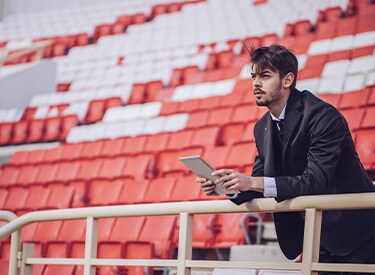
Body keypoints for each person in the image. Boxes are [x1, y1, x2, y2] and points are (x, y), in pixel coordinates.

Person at [196, 44, 375, 274]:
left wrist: (252, 182)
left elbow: (314, 182)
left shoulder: (323, 116)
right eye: (253, 76)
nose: (255, 83)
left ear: (287, 80)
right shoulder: (262, 127)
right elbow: (261, 179)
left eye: (265, 76)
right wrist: (227, 186)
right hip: (316, 236)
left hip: (359, 235)